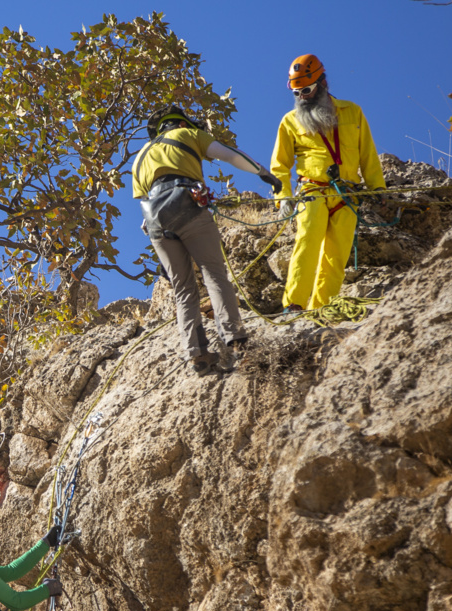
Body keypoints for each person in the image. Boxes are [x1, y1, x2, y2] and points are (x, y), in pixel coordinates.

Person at [133, 105, 283, 376]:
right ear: (180, 123)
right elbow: (228, 155)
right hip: (187, 207)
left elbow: (144, 206)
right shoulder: (188, 134)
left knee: (183, 290)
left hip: (156, 226)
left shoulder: (140, 157)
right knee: (214, 273)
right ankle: (236, 340)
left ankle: (197, 355)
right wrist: (262, 172)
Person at [271, 54, 385, 312]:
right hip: (313, 191)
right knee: (307, 243)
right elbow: (279, 165)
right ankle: (295, 304)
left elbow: (367, 153)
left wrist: (378, 188)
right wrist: (283, 196)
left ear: (322, 83)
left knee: (337, 255)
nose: (302, 97)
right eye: (297, 92)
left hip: (347, 195)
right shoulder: (290, 121)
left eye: (307, 90)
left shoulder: (352, 111)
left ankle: (324, 308)